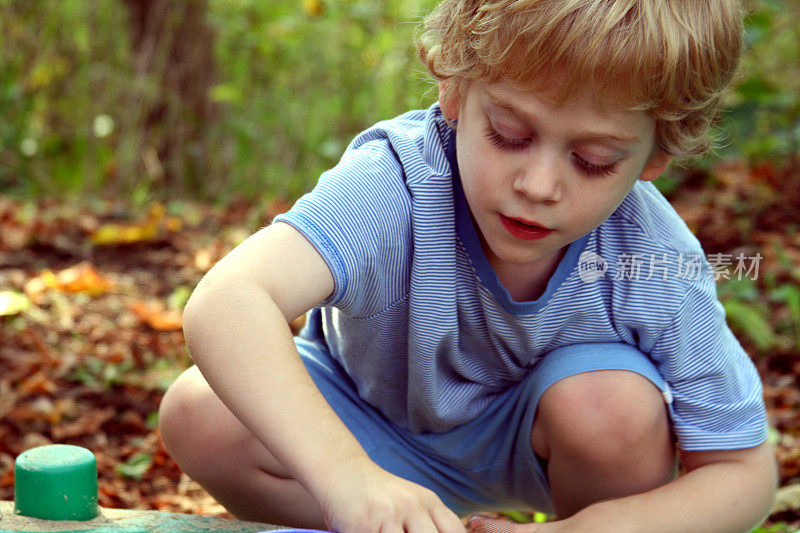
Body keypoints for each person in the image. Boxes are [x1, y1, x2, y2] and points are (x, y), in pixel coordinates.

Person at [158, 1, 778, 532]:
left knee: (613, 409)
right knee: (200, 413)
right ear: (454, 91)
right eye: (509, 134)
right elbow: (228, 300)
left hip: (553, 457)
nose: (538, 185)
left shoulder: (654, 256)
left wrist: (594, 528)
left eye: (592, 160)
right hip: (367, 426)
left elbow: (743, 474)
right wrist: (349, 479)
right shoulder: (397, 183)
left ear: (655, 155)